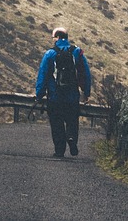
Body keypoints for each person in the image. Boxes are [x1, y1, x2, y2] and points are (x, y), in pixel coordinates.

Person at [35, 26, 92, 158]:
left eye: (53, 37)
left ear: (58, 37)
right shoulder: (77, 52)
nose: (53, 40)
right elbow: (85, 73)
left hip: (55, 97)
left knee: (57, 124)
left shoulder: (50, 54)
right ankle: (71, 138)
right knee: (72, 121)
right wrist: (86, 92)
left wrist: (39, 94)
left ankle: (59, 150)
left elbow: (42, 75)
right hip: (72, 97)